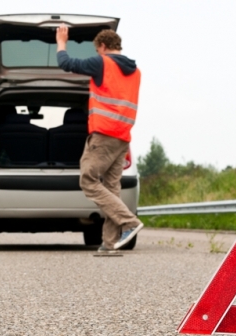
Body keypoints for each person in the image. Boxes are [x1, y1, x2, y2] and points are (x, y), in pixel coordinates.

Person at [55, 24, 144, 251]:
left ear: (102, 47)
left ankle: (129, 221)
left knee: (88, 180)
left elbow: (66, 64)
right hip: (122, 136)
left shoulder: (102, 62)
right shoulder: (135, 71)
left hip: (104, 135)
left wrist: (62, 42)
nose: (96, 54)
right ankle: (110, 242)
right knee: (112, 187)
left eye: (97, 50)